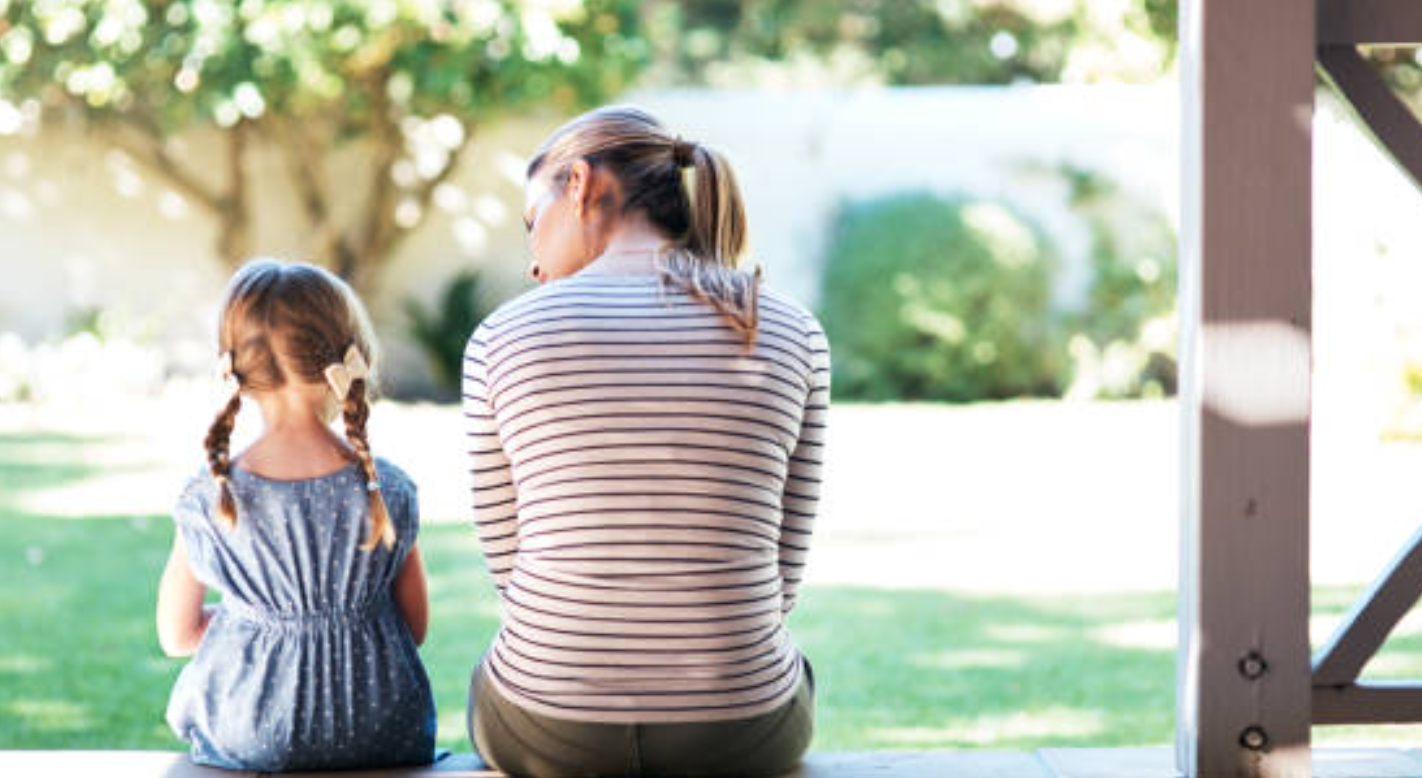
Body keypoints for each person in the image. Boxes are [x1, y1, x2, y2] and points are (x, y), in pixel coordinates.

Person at [463, 105, 831, 778]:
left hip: (547, 728)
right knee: (790, 669)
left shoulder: (501, 337)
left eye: (531, 222)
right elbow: (782, 576)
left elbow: (510, 573)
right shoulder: (792, 329)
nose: (534, 264)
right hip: (742, 729)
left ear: (580, 185)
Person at [157, 259, 437, 771]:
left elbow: (177, 635)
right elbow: (414, 627)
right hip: (381, 728)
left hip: (250, 733)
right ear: (348, 356)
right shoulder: (388, 489)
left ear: (235, 369)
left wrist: (255, 620)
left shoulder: (210, 496)